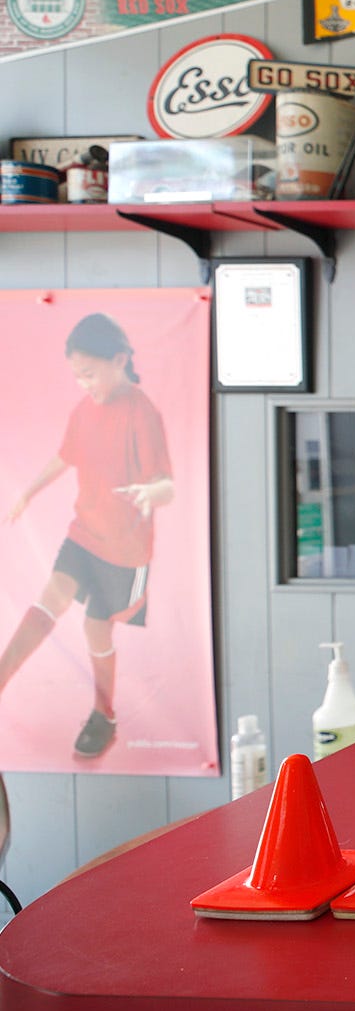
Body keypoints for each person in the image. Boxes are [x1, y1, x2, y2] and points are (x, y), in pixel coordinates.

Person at [1, 313, 175, 759]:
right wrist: (28, 493)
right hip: (84, 534)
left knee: (95, 628)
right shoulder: (84, 409)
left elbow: (167, 485)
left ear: (119, 360)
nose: (84, 384)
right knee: (50, 597)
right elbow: (64, 457)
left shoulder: (142, 412)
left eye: (90, 374)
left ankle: (104, 715)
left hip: (125, 552)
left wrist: (147, 492)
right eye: (77, 376)